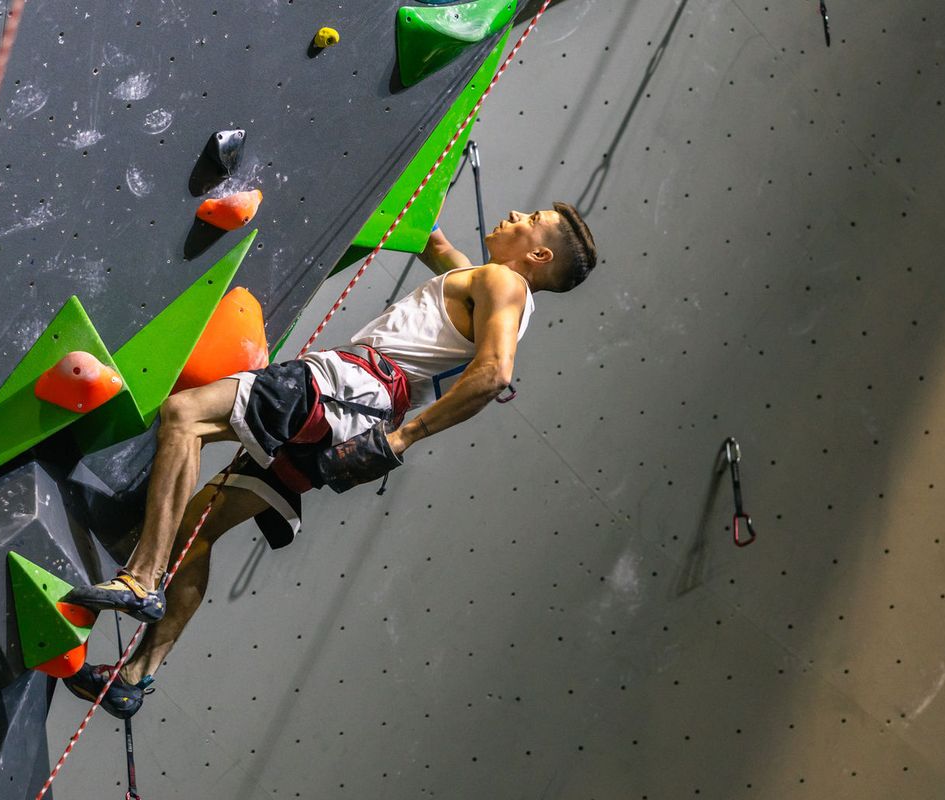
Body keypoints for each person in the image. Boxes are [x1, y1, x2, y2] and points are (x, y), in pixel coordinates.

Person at [63, 204, 599, 717]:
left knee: (185, 414)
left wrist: (406, 439)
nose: (515, 216)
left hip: (345, 387)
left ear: (539, 257)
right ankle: (135, 678)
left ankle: (141, 578)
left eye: (532, 221)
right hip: (356, 418)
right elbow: (432, 243)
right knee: (195, 532)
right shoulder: (483, 282)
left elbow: (495, 373)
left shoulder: (505, 284)